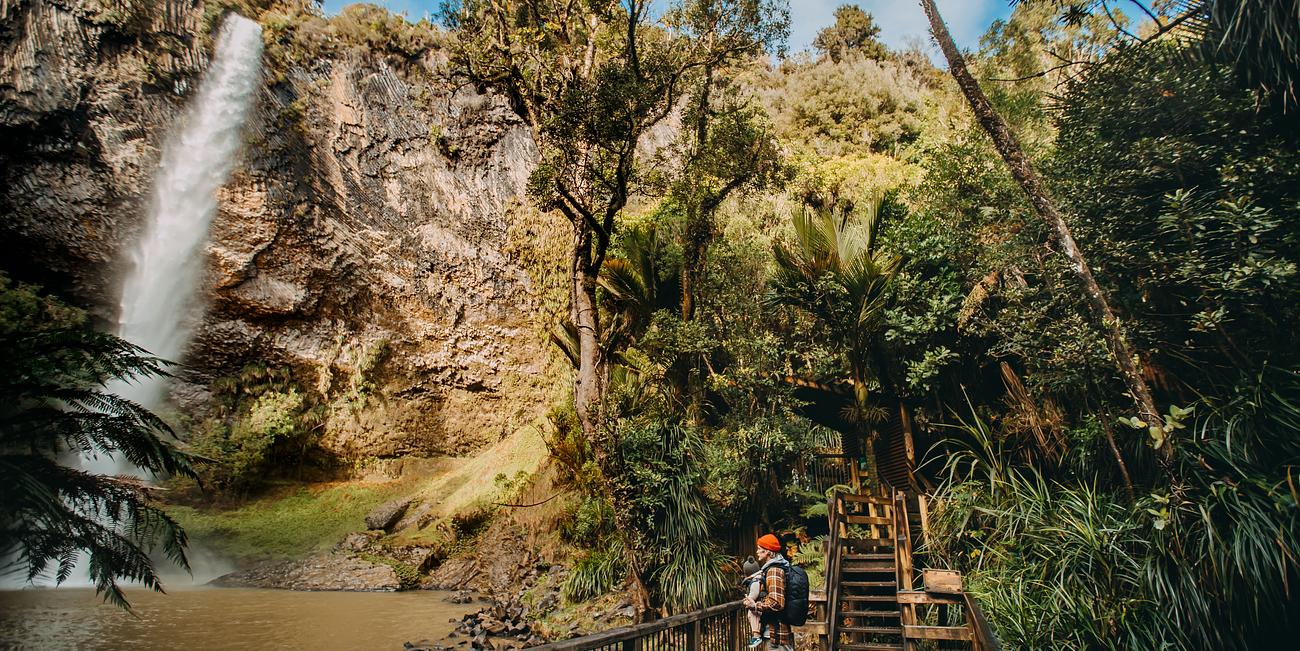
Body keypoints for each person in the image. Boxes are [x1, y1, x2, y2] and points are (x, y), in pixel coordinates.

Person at [742, 533, 794, 651]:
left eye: (759, 549)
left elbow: (777, 602)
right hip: (774, 633)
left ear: (768, 551)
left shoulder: (774, 570)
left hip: (776, 636)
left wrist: (755, 605)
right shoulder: (772, 568)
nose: (757, 552)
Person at [740, 556, 768, 647]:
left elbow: (754, 594)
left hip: (760, 604)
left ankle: (756, 636)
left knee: (752, 614)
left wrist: (748, 599)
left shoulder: (756, 581)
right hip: (763, 603)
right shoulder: (760, 577)